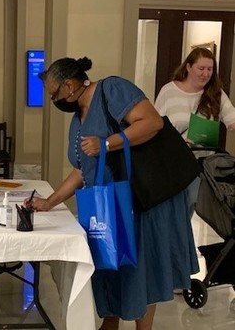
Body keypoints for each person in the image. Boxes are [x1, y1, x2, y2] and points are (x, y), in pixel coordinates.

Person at [25, 57, 199, 330]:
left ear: (69, 86)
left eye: (53, 94)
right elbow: (83, 169)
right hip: (105, 206)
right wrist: (49, 202)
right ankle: (110, 322)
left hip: (138, 199)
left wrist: (107, 142)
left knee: (141, 269)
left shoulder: (112, 90)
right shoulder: (78, 117)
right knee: (110, 268)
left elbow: (152, 122)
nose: (53, 100)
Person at [154, 47, 235, 215]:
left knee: (188, 210)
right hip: (173, 163)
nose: (206, 74)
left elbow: (232, 120)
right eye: (201, 68)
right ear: (189, 67)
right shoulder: (169, 91)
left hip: (201, 166)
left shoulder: (216, 94)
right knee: (172, 212)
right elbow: (156, 127)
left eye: (210, 69)